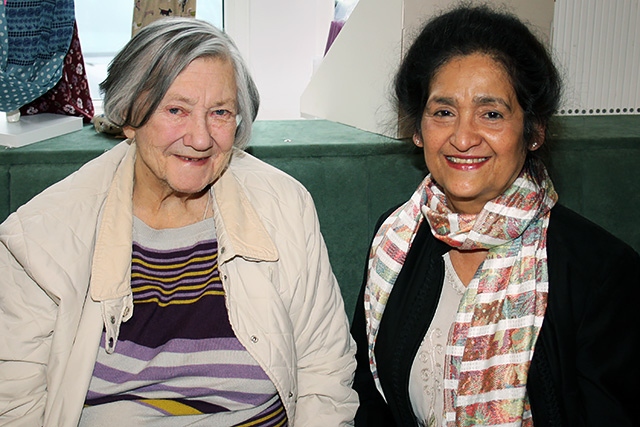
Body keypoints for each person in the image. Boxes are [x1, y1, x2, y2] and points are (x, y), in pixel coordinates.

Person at [0, 18, 357, 426]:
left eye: (220, 112)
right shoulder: (41, 236)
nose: (201, 138)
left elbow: (325, 373)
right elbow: (13, 405)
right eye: (176, 110)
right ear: (129, 117)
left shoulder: (284, 206)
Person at [350, 5, 640, 427]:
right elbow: (367, 392)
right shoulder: (395, 237)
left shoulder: (602, 274)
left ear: (534, 130)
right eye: (443, 112)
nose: (463, 138)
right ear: (418, 129)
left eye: (492, 114)